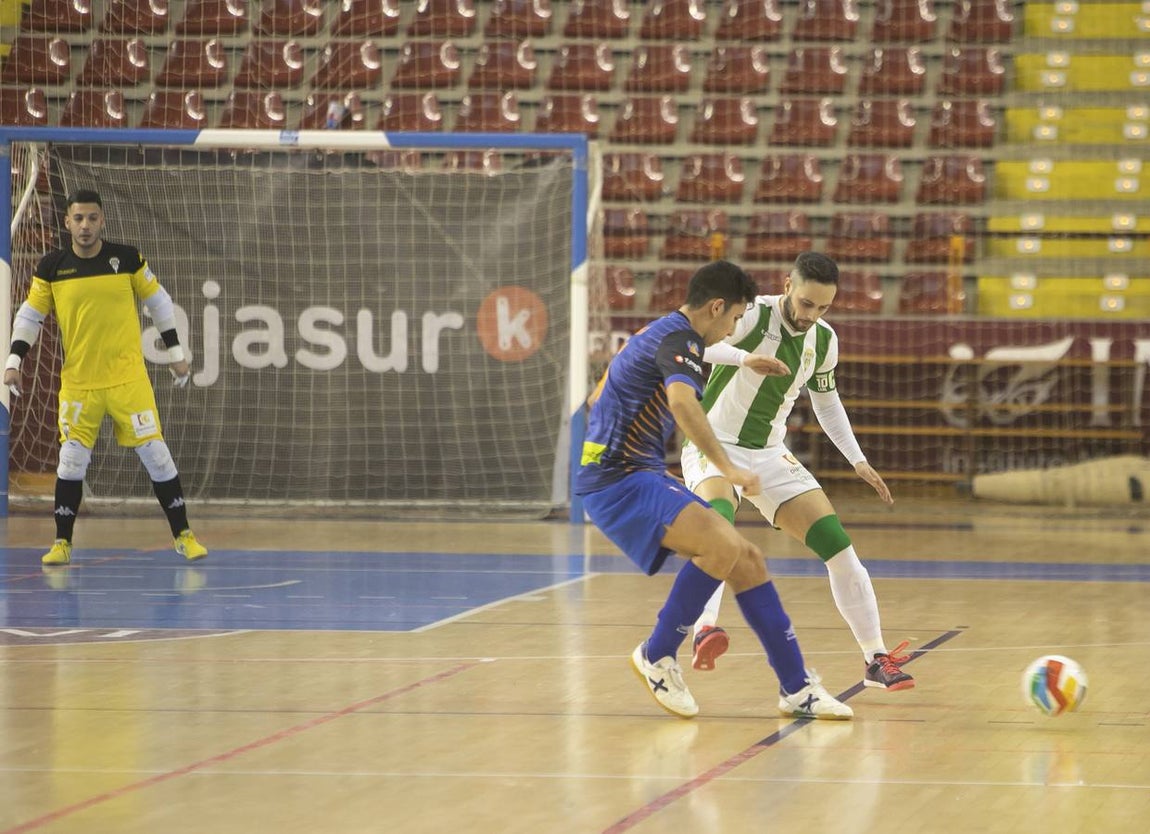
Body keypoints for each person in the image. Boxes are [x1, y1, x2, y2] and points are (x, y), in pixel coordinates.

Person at [575, 259, 853, 720]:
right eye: (735, 317)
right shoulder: (681, 339)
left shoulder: (661, 333)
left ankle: (796, 688)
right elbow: (683, 405)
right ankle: (658, 654)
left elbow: (595, 397)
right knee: (723, 549)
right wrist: (728, 468)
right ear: (717, 307)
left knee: (747, 559)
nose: (735, 327)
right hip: (619, 478)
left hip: (631, 471)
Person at [680, 251, 913, 692]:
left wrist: (857, 460)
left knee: (840, 549)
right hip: (714, 442)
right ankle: (705, 630)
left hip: (769, 453)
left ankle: (876, 659)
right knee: (718, 526)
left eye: (824, 307)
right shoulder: (751, 316)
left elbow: (826, 402)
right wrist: (745, 359)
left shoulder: (824, 340)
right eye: (807, 304)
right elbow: (701, 343)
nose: (812, 315)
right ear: (787, 284)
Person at [3, 189, 208, 567]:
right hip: (80, 384)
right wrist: (14, 359)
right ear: (67, 222)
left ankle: (184, 535)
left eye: (92, 218)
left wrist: (176, 354)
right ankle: (62, 543)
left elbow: (160, 302)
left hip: (128, 381)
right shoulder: (51, 267)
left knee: (158, 457)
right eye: (78, 218)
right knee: (70, 463)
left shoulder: (126, 259)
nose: (85, 226)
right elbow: (31, 316)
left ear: (102, 221)